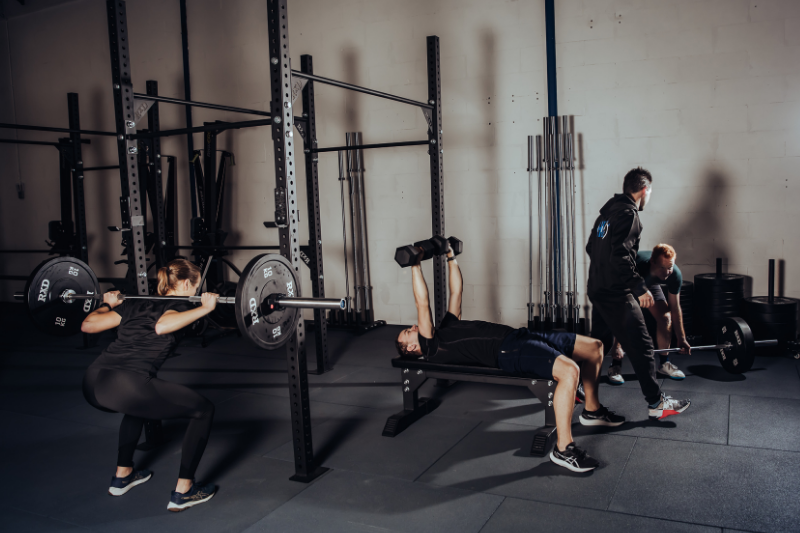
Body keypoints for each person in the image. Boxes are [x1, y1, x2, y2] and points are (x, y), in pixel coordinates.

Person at [394, 242, 625, 473]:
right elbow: (422, 304)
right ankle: (563, 449)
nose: (413, 326)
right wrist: (415, 265)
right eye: (408, 331)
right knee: (570, 371)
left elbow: (456, 292)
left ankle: (592, 410)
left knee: (595, 347)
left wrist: (450, 257)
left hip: (519, 335)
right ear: (413, 347)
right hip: (507, 351)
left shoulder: (447, 327)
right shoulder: (432, 347)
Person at [81, 259, 217, 512]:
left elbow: (89, 325)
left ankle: (123, 476)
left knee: (139, 406)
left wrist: (107, 304)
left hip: (93, 382)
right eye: (197, 287)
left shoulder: (135, 303)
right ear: (187, 283)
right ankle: (184, 491)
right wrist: (206, 308)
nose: (197, 292)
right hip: (126, 385)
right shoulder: (179, 305)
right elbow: (162, 326)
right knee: (204, 410)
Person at [586, 167, 691, 420]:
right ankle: (656, 403)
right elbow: (622, 255)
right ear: (644, 190)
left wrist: (604, 274)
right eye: (650, 192)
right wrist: (639, 288)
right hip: (616, 293)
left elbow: (592, 247)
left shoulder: (606, 215)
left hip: (597, 289)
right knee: (643, 345)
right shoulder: (628, 214)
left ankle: (585, 397)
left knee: (596, 345)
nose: (649, 196)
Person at [607, 244, 691, 384]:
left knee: (666, 317)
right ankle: (615, 365)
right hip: (626, 280)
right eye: (662, 268)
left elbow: (675, 307)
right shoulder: (635, 266)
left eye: (669, 267)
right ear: (652, 262)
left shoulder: (674, 274)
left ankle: (664, 363)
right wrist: (616, 346)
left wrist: (682, 338)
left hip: (650, 282)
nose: (666, 273)